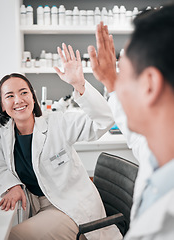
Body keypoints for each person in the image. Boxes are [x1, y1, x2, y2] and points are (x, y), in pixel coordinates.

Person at [0, 44, 122, 240]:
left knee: (14, 236)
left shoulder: (57, 123)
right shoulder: (2, 134)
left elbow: (103, 121)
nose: (18, 100)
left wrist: (79, 85)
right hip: (38, 205)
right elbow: (0, 164)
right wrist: (12, 185)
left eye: (23, 92)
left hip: (70, 207)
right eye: (9, 96)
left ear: (33, 96)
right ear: (2, 106)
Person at [88, 4, 174, 239]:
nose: (117, 87)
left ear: (149, 85)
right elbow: (136, 136)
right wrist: (110, 79)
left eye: (122, 74)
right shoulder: (158, 150)